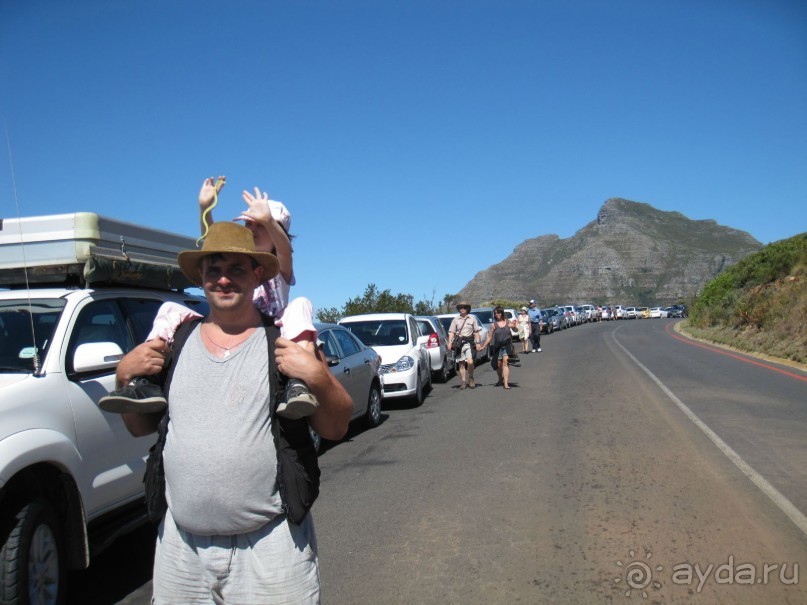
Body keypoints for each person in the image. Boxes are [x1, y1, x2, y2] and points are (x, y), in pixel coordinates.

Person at [116, 221, 353, 603]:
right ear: (202, 278)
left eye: (236, 269)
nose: (224, 279)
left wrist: (317, 377)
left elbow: (337, 425)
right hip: (181, 549)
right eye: (214, 270)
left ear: (257, 274)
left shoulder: (283, 342)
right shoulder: (175, 343)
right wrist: (123, 376)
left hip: (272, 549)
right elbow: (139, 426)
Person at [100, 176, 318, 419]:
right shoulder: (234, 263)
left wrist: (268, 220)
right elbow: (213, 247)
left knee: (300, 305)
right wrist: (205, 208)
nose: (253, 229)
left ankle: (297, 384)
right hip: (231, 324)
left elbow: (285, 251)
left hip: (271, 329)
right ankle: (146, 379)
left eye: (262, 225)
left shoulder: (279, 269)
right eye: (250, 225)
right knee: (171, 309)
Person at [477, 306, 516, 389]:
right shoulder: (493, 325)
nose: (497, 314)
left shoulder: (508, 322)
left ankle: (506, 383)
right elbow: (489, 337)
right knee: (498, 364)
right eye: (495, 313)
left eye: (498, 312)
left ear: (502, 313)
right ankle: (500, 379)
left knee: (505, 362)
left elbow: (516, 330)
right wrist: (483, 346)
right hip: (497, 346)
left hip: (507, 345)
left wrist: (515, 326)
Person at [446, 302, 482, 390]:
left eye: (464, 307)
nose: (462, 309)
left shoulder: (472, 319)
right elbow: (452, 332)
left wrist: (478, 343)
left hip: (469, 342)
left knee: (470, 362)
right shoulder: (455, 320)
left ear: (467, 309)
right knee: (461, 363)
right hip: (459, 344)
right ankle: (463, 381)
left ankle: (471, 377)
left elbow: (476, 332)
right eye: (460, 307)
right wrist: (450, 343)